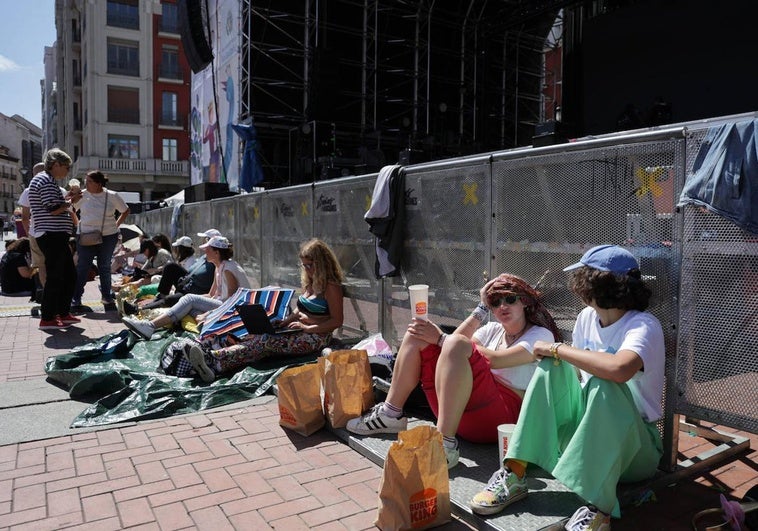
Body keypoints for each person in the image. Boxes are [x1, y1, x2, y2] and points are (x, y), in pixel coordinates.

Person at [468, 245, 665, 531]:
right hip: (587, 437)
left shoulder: (644, 325)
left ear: (594, 282)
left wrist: (558, 347)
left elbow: (619, 369)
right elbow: (572, 369)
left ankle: (600, 510)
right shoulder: (587, 318)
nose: (576, 286)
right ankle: (514, 473)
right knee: (551, 366)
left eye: (582, 277)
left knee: (602, 381)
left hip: (636, 451)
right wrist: (555, 357)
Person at [346, 273, 562, 468]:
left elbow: (495, 360)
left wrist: (441, 338)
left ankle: (445, 446)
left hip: (500, 417)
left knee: (453, 342)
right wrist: (480, 309)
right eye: (495, 302)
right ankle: (391, 414)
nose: (503, 306)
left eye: (510, 299)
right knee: (417, 332)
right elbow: (451, 346)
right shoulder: (492, 329)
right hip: (459, 412)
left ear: (524, 301)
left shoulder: (540, 335)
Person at [186, 238, 345, 383]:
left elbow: (336, 321)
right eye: (304, 265)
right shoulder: (311, 282)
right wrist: (284, 322)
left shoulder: (331, 286)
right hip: (299, 330)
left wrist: (308, 328)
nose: (307, 269)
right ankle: (210, 353)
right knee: (254, 333)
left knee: (265, 342)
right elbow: (300, 309)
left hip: (317, 337)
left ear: (322, 263)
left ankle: (213, 361)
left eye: (311, 265)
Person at [122, 235, 250, 340]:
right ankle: (202, 324)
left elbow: (233, 300)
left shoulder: (228, 269)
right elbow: (211, 295)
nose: (205, 252)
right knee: (187, 303)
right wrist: (187, 301)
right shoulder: (219, 266)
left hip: (236, 309)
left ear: (216, 252)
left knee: (189, 300)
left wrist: (207, 312)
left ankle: (150, 326)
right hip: (222, 303)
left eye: (208, 249)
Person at [27, 148, 81, 330]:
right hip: (52, 235)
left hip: (53, 235)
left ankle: (62, 313)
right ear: (56, 165)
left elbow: (51, 205)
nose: (67, 172)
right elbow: (53, 208)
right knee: (57, 276)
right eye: (66, 167)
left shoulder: (45, 180)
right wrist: (70, 202)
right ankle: (49, 317)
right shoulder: (46, 181)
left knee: (67, 275)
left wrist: (66, 200)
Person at [71, 170, 129, 308]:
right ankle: (76, 297)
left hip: (108, 236)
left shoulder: (112, 196)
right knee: (83, 267)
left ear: (99, 183)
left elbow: (125, 210)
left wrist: (116, 225)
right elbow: (71, 208)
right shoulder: (82, 195)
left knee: (104, 267)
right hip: (85, 236)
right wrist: (77, 223)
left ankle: (106, 297)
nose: (86, 183)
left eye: (89, 181)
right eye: (86, 180)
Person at [123, 233, 216, 314]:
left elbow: (212, 291)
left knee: (168, 298)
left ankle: (138, 309)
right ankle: (160, 296)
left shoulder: (216, 265)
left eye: (207, 244)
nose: (204, 246)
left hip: (192, 290)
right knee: (170, 266)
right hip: (186, 282)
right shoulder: (203, 258)